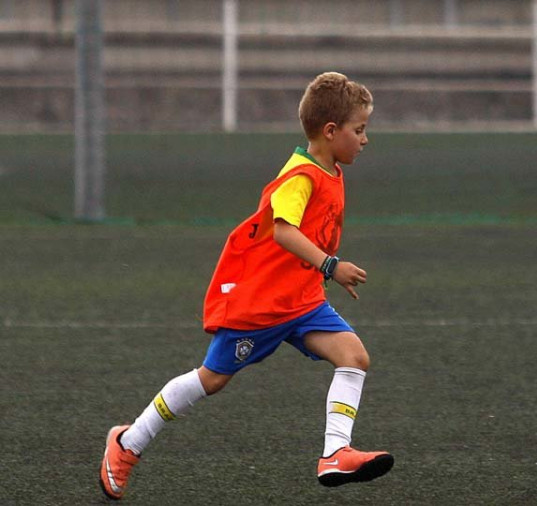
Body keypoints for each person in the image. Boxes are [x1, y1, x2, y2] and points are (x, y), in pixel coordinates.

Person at [99, 72, 393, 500]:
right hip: (262, 304)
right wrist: (331, 266)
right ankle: (128, 443)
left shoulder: (328, 170)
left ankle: (335, 452)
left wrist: (320, 276)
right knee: (211, 379)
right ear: (331, 132)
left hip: (302, 301)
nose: (365, 140)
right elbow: (284, 231)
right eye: (360, 130)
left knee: (354, 357)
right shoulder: (301, 177)